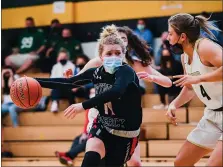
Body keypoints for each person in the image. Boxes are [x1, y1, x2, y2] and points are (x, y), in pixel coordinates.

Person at [63, 25, 172, 167]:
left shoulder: (134, 64)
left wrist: (153, 78)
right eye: (117, 38)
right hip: (102, 115)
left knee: (135, 163)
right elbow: (78, 80)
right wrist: (71, 77)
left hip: (125, 119)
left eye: (124, 39)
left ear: (128, 43)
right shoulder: (99, 60)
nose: (120, 40)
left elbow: (168, 82)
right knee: (98, 155)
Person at [34, 25, 143, 166]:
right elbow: (70, 83)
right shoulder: (96, 72)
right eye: (109, 54)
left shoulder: (126, 72)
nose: (114, 57)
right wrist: (35, 81)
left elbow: (116, 91)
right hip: (103, 126)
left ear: (123, 54)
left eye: (118, 53)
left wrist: (83, 105)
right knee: (90, 159)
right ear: (101, 57)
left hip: (125, 133)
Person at [165, 13, 222, 166]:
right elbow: (190, 87)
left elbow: (196, 80)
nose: (168, 38)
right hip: (212, 115)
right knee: (181, 162)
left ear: (182, 37)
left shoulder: (204, 47)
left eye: (170, 34)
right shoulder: (185, 56)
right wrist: (174, 104)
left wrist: (199, 78)